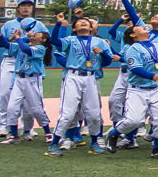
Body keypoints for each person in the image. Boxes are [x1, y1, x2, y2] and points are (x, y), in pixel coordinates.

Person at [46, 16, 114, 157]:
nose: (83, 22)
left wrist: (102, 54)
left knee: (94, 113)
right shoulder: (70, 40)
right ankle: (54, 144)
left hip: (91, 77)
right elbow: (54, 41)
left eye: (86, 22)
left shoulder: (100, 42)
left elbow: (108, 61)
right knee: (67, 113)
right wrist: (58, 24)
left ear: (91, 28)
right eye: (79, 22)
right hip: (73, 76)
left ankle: (94, 143)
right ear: (74, 28)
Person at [103, 25, 158, 158]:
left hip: (157, 88)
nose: (144, 27)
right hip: (138, 89)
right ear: (133, 35)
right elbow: (135, 68)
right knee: (134, 121)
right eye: (140, 27)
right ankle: (113, 134)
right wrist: (152, 76)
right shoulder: (132, 48)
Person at [0, 0, 46, 141]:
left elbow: (46, 41)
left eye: (29, 5)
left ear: (32, 8)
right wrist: (9, 38)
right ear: (18, 8)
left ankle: (27, 127)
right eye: (23, 5)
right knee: (5, 94)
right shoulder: (9, 24)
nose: (26, 8)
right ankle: (2, 125)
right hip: (11, 59)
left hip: (30, 61)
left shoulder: (39, 25)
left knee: (32, 96)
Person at [3, 30, 53, 145]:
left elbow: (26, 50)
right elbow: (7, 45)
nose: (34, 35)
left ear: (43, 39)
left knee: (36, 108)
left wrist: (19, 38)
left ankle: (48, 133)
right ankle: (14, 135)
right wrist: (4, 36)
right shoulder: (25, 44)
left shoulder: (41, 48)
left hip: (32, 79)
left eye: (37, 34)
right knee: (12, 107)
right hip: (19, 79)